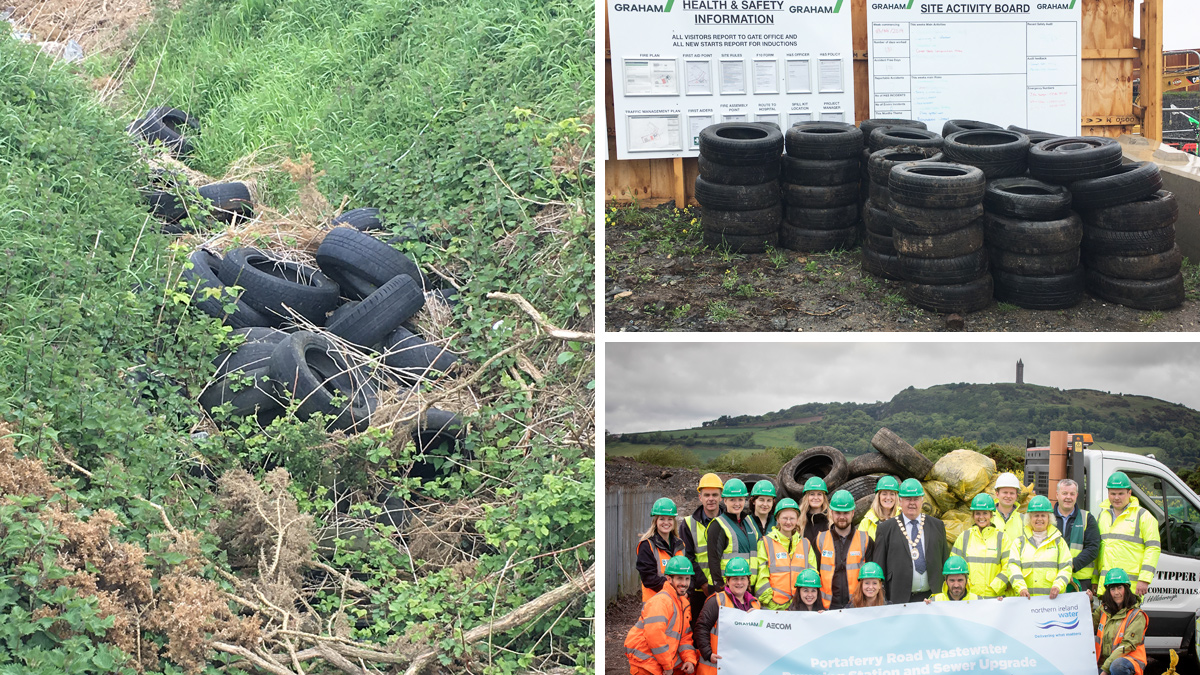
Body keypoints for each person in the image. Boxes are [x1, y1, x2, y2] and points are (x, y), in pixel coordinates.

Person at [871, 478, 949, 603]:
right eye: (908, 499)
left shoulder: (937, 526)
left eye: (916, 499)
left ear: (922, 500)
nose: (912, 503)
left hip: (932, 598)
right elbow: (879, 569)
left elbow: (945, 562)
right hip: (898, 599)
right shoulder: (885, 529)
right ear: (900, 501)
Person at [625, 555, 699, 675]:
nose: (684, 583)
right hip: (646, 662)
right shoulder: (661, 601)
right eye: (680, 578)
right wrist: (668, 666)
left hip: (662, 660)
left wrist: (689, 660)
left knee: (697, 662)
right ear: (669, 579)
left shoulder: (683, 603)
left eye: (687, 579)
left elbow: (684, 636)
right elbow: (655, 637)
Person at [1096, 471, 1161, 597]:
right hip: (1107, 586)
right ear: (1108, 493)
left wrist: (1144, 579)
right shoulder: (1102, 516)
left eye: (1121, 493)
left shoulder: (1143, 516)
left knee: (1130, 617)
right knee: (1106, 617)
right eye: (1113, 493)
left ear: (1129, 493)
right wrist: (1094, 580)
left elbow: (1153, 548)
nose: (1116, 497)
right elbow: (1098, 550)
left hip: (1131, 586)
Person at [694, 558, 759, 675]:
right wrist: (708, 653)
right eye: (735, 579)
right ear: (727, 581)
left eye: (743, 578)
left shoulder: (755, 604)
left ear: (748, 581)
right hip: (714, 668)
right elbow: (701, 627)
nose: (739, 583)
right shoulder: (717, 601)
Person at [816, 489, 874, 610]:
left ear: (853, 513)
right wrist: (818, 606)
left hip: (857, 607)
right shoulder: (820, 540)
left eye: (846, 513)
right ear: (831, 513)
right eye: (838, 512)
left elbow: (874, 578)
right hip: (827, 608)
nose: (842, 517)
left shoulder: (866, 540)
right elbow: (814, 576)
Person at [753, 497, 816, 609]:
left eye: (792, 518)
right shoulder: (766, 542)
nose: (788, 522)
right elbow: (761, 576)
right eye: (784, 518)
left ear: (797, 520)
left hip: (799, 606)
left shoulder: (805, 544)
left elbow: (812, 574)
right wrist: (770, 602)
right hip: (773, 607)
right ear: (777, 519)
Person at [1006, 495, 1073, 599]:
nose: (1039, 519)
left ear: (1049, 518)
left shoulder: (1059, 542)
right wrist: (1021, 588)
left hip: (1052, 603)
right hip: (1025, 601)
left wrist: (1058, 585)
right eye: (1036, 515)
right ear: (1029, 518)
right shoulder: (1019, 542)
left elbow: (1066, 567)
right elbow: (1013, 567)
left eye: (1043, 515)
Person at [681, 473, 724, 626]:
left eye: (714, 494)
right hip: (699, 591)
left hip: (725, 587)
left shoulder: (730, 521)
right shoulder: (688, 524)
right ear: (700, 497)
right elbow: (688, 557)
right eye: (706, 495)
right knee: (698, 631)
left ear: (721, 497)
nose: (710, 498)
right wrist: (703, 584)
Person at [951, 493, 1011, 598]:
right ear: (973, 515)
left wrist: (995, 588)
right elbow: (954, 567)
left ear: (991, 515)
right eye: (977, 513)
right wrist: (965, 588)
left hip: (994, 598)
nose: (981, 517)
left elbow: (1009, 566)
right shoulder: (964, 537)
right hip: (969, 598)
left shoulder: (1002, 538)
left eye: (985, 513)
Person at [705, 478, 758, 593]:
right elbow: (713, 559)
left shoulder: (749, 522)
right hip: (725, 587)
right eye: (732, 500)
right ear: (725, 501)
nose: (737, 503)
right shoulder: (717, 525)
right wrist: (719, 586)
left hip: (746, 586)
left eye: (740, 499)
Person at [1093, 569, 1149, 675]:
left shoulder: (1137, 615)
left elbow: (1127, 645)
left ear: (1126, 589)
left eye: (1120, 588)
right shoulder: (1103, 610)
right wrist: (1089, 601)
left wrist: (1105, 670)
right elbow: (1087, 626)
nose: (1116, 593)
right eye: (1113, 589)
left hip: (1128, 662)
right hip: (1104, 664)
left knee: (1117, 666)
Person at [1054, 478, 1101, 592]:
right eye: (1064, 493)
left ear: (1077, 495)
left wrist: (1072, 565)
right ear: (1057, 495)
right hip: (1052, 577)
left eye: (1072, 494)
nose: (1068, 497)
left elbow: (1093, 548)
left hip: (1080, 580)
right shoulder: (1046, 518)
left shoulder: (1087, 518)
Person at [637, 497, 685, 604]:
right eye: (662, 519)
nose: (666, 522)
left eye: (669, 519)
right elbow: (649, 579)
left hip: (676, 601)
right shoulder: (647, 545)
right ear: (655, 521)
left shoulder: (680, 545)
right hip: (655, 604)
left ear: (674, 521)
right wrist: (675, 587)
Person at [858, 476, 900, 540]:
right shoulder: (867, 522)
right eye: (884, 494)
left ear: (896, 497)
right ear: (878, 496)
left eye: (892, 494)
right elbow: (860, 546)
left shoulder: (903, 517)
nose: (888, 498)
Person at [797, 476, 831, 551]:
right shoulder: (798, 521)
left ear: (823, 497)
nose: (816, 497)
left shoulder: (831, 521)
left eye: (819, 494)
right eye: (812, 494)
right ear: (806, 497)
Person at [992, 472, 1026, 542]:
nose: (1008, 496)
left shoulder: (1023, 520)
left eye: (1012, 493)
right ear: (997, 494)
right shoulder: (988, 517)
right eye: (1005, 492)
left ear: (1016, 495)